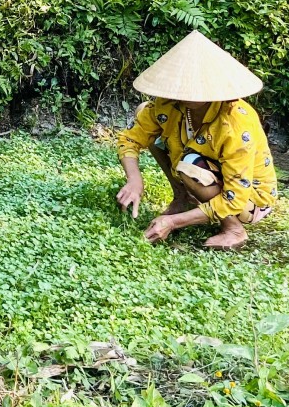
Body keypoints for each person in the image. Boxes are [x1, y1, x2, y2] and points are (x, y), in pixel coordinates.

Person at [114, 30, 278, 250]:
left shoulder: (235, 122)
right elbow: (131, 139)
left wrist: (172, 223)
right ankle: (182, 199)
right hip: (203, 171)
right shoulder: (168, 105)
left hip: (249, 200)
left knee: (191, 165)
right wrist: (135, 180)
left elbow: (236, 197)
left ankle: (234, 229)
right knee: (144, 111)